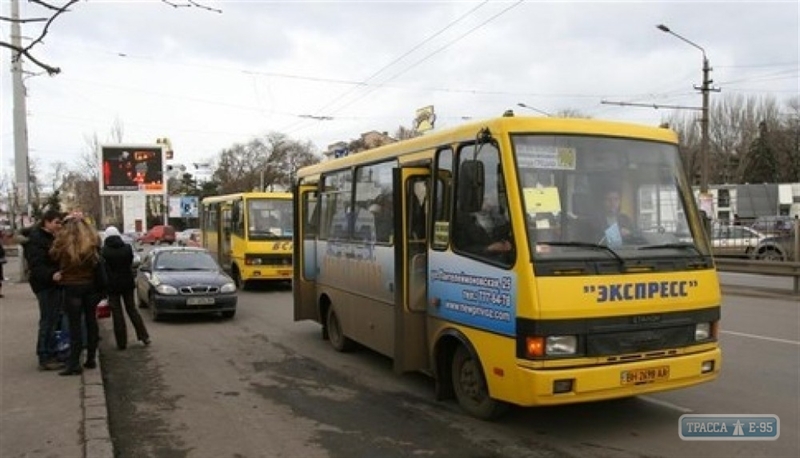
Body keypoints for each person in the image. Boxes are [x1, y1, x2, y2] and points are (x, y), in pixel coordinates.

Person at [50, 216, 104, 376]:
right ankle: (91, 359)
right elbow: (97, 264)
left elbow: (53, 256)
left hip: (71, 287)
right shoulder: (92, 243)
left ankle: (74, 363)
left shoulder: (62, 244)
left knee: (74, 326)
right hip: (89, 286)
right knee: (91, 321)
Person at [20, 210, 65, 371]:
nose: (59, 226)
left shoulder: (49, 237)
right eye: (56, 222)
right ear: (46, 222)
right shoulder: (37, 240)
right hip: (45, 285)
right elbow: (36, 265)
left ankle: (51, 352)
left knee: (53, 319)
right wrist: (52, 274)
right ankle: (45, 356)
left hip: (52, 284)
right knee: (48, 321)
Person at [101, 226, 150, 350]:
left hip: (112, 286)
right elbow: (130, 264)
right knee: (132, 310)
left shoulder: (104, 251)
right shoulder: (127, 249)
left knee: (117, 314)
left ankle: (121, 343)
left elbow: (104, 269)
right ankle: (144, 336)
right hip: (127, 284)